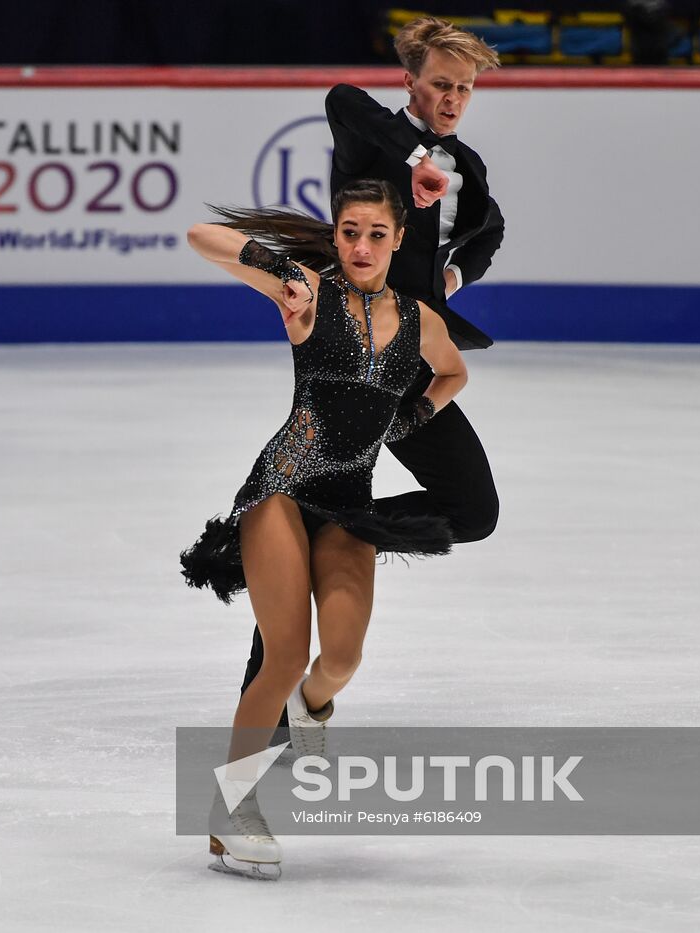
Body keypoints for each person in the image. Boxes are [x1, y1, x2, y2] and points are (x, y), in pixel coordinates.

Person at [180, 179, 468, 879]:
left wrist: (406, 422)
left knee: (340, 657)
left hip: (348, 501)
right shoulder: (310, 291)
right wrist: (286, 274)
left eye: (376, 233)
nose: (362, 246)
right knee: (283, 654)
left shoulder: (422, 319)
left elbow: (452, 373)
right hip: (281, 487)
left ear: (400, 238)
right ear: (335, 236)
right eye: (349, 231)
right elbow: (201, 237)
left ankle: (314, 709)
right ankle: (232, 809)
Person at [239, 16, 504, 730]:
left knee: (474, 511)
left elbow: (490, 222)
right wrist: (414, 156)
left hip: (412, 363)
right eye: (441, 84)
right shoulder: (371, 136)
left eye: (465, 90)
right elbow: (340, 96)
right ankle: (270, 706)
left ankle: (344, 531)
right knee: (302, 502)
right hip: (349, 358)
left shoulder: (466, 166)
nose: (452, 99)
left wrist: (455, 270)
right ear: (413, 83)